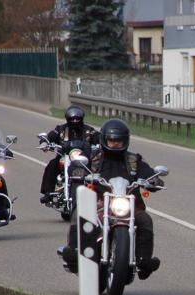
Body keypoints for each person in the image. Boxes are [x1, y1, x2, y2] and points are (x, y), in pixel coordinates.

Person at [61, 118, 162, 279]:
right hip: (98, 202)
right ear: (104, 140)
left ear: (125, 141)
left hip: (127, 204)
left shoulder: (134, 160)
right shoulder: (93, 156)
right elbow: (76, 165)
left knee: (145, 219)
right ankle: (74, 253)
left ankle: (143, 261)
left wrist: (154, 180)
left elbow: (148, 173)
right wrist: (79, 171)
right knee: (79, 212)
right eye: (112, 140)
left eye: (119, 141)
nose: (115, 144)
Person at [39, 105, 99, 203]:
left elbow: (99, 138)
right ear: (68, 119)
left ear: (81, 119)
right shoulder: (60, 129)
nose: (75, 121)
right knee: (52, 165)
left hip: (84, 159)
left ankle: (97, 193)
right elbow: (50, 137)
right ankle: (48, 192)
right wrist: (44, 142)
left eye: (77, 119)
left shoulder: (89, 130)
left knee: (97, 168)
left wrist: (102, 144)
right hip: (64, 157)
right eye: (72, 119)